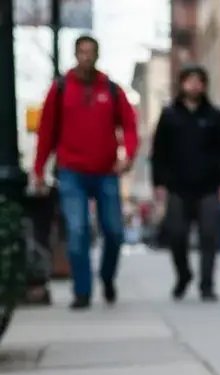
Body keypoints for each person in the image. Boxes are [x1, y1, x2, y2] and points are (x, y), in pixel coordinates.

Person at [31, 34, 138, 310]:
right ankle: (82, 291)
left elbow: (129, 125)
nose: (86, 56)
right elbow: (46, 131)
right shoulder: (61, 88)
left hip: (106, 172)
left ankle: (107, 277)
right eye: (82, 51)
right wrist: (38, 169)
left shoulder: (111, 89)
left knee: (114, 232)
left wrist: (128, 155)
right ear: (75, 54)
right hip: (71, 173)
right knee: (77, 232)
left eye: (91, 52)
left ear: (97, 55)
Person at [150, 63, 220, 302]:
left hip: (208, 187)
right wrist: (159, 183)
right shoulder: (170, 116)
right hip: (177, 187)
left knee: (209, 236)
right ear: (182, 84)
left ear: (204, 85)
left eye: (199, 81)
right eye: (189, 80)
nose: (194, 85)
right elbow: (158, 152)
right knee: (176, 235)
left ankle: (207, 284)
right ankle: (184, 274)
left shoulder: (215, 116)